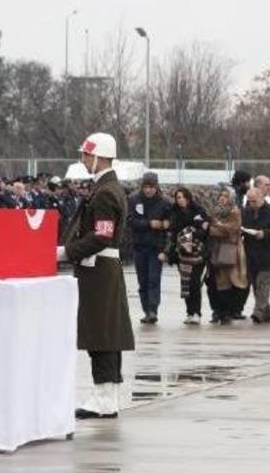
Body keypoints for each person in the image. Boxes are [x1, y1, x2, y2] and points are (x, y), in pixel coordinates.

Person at [63, 132, 134, 420]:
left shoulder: (105, 191)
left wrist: (67, 253)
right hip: (103, 269)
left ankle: (104, 397)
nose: (82, 160)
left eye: (85, 155)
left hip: (99, 270)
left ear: (97, 156)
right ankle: (108, 396)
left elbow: (102, 235)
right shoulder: (108, 188)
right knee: (107, 333)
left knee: (100, 334)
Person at [127, 172, 170, 325]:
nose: (148, 190)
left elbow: (170, 222)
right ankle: (146, 310)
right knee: (142, 281)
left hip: (156, 247)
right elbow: (130, 221)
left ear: (156, 187)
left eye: (151, 187)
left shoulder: (164, 202)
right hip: (139, 246)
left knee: (153, 280)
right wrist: (149, 224)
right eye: (146, 187)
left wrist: (166, 224)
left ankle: (153, 310)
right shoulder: (133, 200)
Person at [164, 187, 210, 325]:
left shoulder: (198, 210)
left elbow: (204, 230)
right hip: (182, 253)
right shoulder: (173, 212)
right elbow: (172, 231)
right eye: (178, 197)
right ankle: (189, 312)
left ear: (188, 198)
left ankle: (196, 312)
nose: (181, 200)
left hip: (198, 253)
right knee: (186, 282)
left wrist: (189, 234)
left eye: (183, 197)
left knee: (195, 282)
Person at [242, 187, 270, 324]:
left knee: (263, 284)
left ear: (262, 198)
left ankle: (258, 312)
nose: (251, 204)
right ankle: (267, 312)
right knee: (256, 286)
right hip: (251, 254)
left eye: (254, 201)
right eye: (249, 201)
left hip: (267, 254)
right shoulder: (246, 211)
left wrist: (265, 234)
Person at [206, 186, 248, 325]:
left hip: (229, 250)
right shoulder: (214, 211)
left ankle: (226, 311)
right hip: (214, 249)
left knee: (228, 281)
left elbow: (232, 230)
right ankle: (217, 310)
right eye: (221, 195)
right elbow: (210, 228)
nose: (222, 198)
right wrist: (216, 228)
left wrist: (216, 228)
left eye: (225, 196)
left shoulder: (234, 211)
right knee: (213, 282)